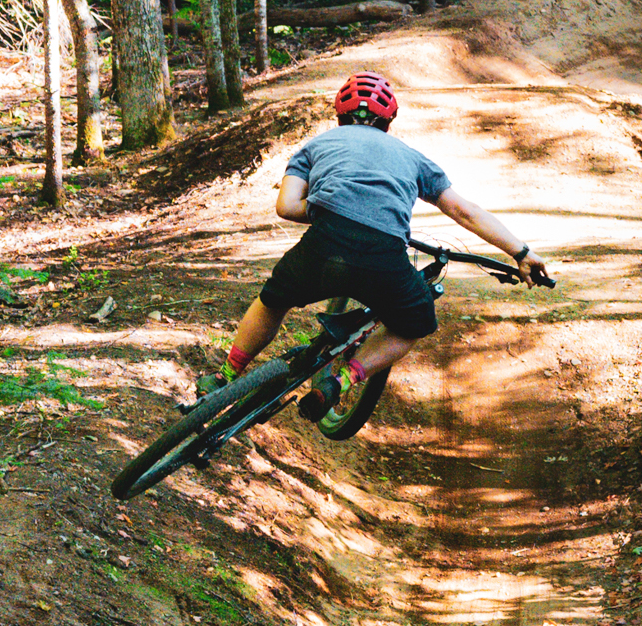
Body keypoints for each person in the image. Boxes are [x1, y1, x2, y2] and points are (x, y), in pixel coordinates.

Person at [222, 70, 551, 435]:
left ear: (338, 115)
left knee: (273, 301)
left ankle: (224, 376)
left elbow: (286, 206)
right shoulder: (412, 158)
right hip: (383, 255)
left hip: (324, 245)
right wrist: (520, 252)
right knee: (413, 325)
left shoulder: (317, 146)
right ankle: (341, 381)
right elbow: (464, 211)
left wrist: (326, 209)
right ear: (390, 121)